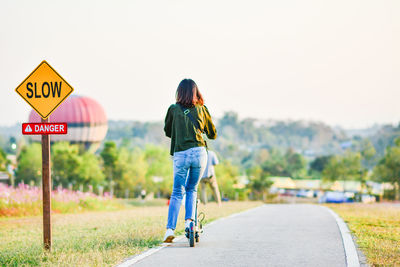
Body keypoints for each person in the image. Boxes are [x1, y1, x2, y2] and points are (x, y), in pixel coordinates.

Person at [163, 79, 217, 243]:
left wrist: (181, 133)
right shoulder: (202, 109)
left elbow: (167, 131)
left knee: (177, 192)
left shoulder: (173, 109)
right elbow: (212, 133)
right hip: (199, 153)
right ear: (196, 92)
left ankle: (169, 230)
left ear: (179, 92)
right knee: (192, 189)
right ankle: (189, 223)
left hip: (181, 154)